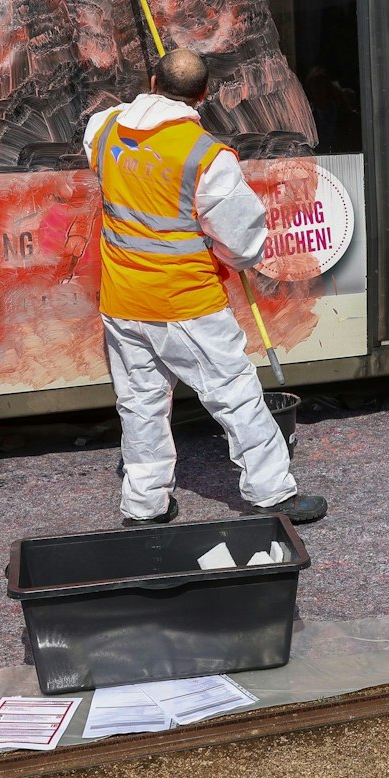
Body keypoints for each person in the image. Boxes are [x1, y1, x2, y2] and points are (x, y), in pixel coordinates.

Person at [83, 47, 326, 528]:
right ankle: (272, 492)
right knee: (233, 394)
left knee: (140, 403)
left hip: (123, 301)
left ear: (153, 82)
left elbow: (114, 158)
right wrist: (233, 256)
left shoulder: (103, 129)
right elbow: (240, 243)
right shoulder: (206, 157)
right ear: (205, 95)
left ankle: (145, 504)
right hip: (186, 303)